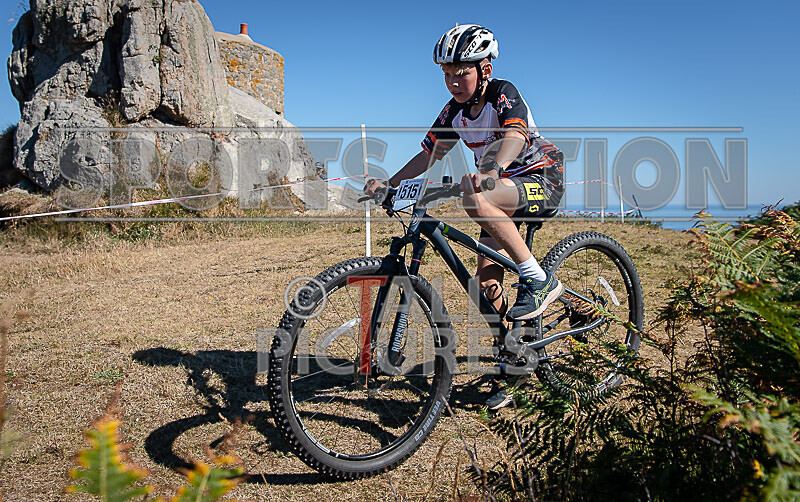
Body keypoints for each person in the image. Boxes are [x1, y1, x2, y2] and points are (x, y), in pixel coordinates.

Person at [364, 24, 565, 408]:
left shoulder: (503, 94)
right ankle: (515, 358)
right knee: (485, 286)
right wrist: (388, 183)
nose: (454, 82)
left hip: (540, 178)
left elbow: (516, 137)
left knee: (474, 196)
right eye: (447, 74)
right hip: (497, 192)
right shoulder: (454, 110)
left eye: (462, 73)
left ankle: (540, 281)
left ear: (485, 69)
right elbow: (429, 154)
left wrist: (493, 168)